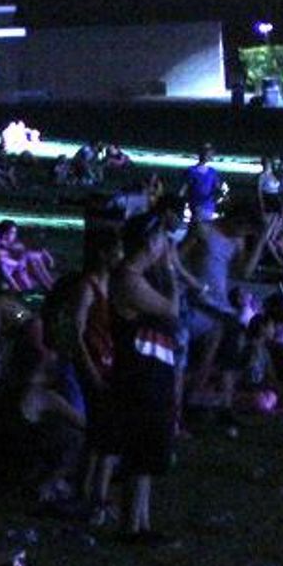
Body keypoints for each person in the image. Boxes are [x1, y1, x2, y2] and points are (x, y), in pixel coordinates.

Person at [108, 215, 181, 541]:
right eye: (161, 239)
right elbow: (171, 309)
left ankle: (143, 523)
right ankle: (130, 525)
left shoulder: (142, 276)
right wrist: (171, 271)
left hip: (155, 367)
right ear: (148, 242)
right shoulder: (129, 279)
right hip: (140, 372)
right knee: (140, 449)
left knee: (150, 448)